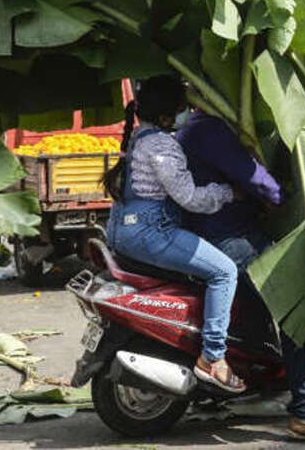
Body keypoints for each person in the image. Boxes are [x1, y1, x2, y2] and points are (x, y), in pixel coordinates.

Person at [176, 110, 305, 445]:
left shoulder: (201, 125)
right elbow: (254, 177)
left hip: (225, 233)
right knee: (295, 306)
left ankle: (263, 384)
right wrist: (291, 202)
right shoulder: (210, 129)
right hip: (228, 240)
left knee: (261, 310)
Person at [104, 76, 245, 393]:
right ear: (167, 116)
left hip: (122, 231)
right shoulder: (163, 144)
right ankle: (213, 358)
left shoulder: (141, 136)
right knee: (224, 271)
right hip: (151, 233)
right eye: (183, 109)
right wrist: (230, 192)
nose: (188, 114)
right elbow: (190, 198)